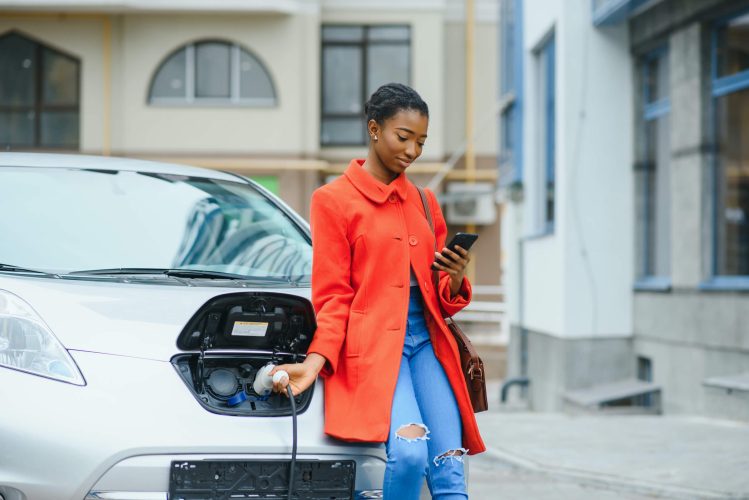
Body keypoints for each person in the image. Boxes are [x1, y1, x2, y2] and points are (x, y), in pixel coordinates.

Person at [271, 83, 485, 499]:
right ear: (374, 129)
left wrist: (456, 277)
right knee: (408, 456)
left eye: (421, 142)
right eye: (403, 137)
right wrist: (315, 363)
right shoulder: (332, 200)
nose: (412, 151)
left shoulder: (425, 202)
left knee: (450, 471)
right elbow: (333, 296)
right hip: (373, 351)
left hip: (428, 345)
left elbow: (441, 295)